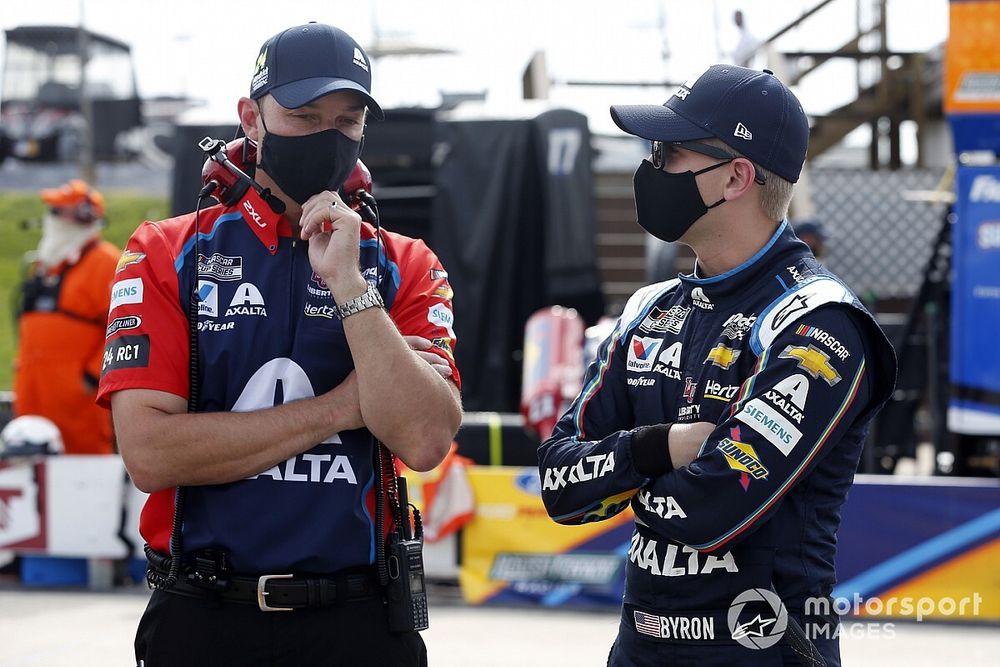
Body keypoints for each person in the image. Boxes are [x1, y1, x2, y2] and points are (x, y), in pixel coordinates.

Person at [97, 22, 462, 666]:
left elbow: (425, 438)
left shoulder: (405, 262)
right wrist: (347, 407)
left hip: (360, 620)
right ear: (252, 119)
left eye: (348, 120)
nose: (327, 134)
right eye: (303, 114)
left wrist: (352, 287)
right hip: (206, 615)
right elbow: (150, 453)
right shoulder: (165, 251)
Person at [538, 65, 896, 667]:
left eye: (670, 152)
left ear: (736, 177)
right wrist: (662, 449)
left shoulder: (820, 322)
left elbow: (710, 510)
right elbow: (557, 486)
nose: (651, 168)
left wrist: (621, 476)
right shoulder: (651, 309)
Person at [13, 180, 118, 455]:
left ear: (84, 215)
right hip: (33, 389)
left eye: (59, 210)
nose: (52, 217)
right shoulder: (46, 264)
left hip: (77, 401)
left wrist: (92, 377)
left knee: (83, 470)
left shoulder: (105, 263)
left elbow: (125, 326)